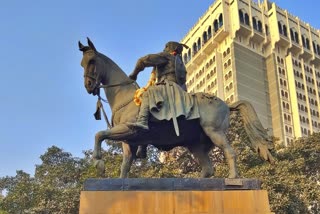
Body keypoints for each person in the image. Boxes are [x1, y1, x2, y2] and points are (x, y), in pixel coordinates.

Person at [128, 41, 189, 130]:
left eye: (166, 47)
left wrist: (134, 75)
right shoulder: (179, 62)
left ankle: (142, 121)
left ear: (171, 48)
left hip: (167, 86)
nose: (164, 49)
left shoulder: (167, 56)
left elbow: (143, 60)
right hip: (179, 90)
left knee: (148, 93)